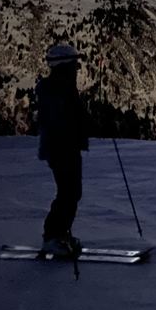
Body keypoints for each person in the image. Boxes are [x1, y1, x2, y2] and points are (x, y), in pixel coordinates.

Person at [36, 43, 89, 257]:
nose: (77, 68)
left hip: (64, 147)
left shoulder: (61, 87)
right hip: (62, 148)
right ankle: (53, 237)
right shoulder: (59, 89)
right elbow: (61, 121)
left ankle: (60, 234)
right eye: (74, 64)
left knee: (71, 192)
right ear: (65, 65)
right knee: (68, 193)